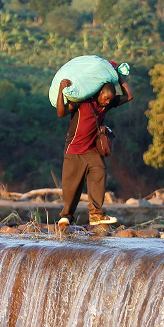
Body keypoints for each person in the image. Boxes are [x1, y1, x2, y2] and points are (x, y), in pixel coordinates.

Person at [55, 72, 133, 228]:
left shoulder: (108, 103)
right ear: (99, 93)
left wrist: (120, 78)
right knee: (72, 187)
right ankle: (66, 216)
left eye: (110, 99)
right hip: (74, 150)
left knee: (100, 172)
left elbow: (129, 96)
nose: (107, 101)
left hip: (92, 150)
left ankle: (96, 215)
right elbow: (61, 112)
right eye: (106, 98)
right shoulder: (82, 102)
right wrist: (60, 90)